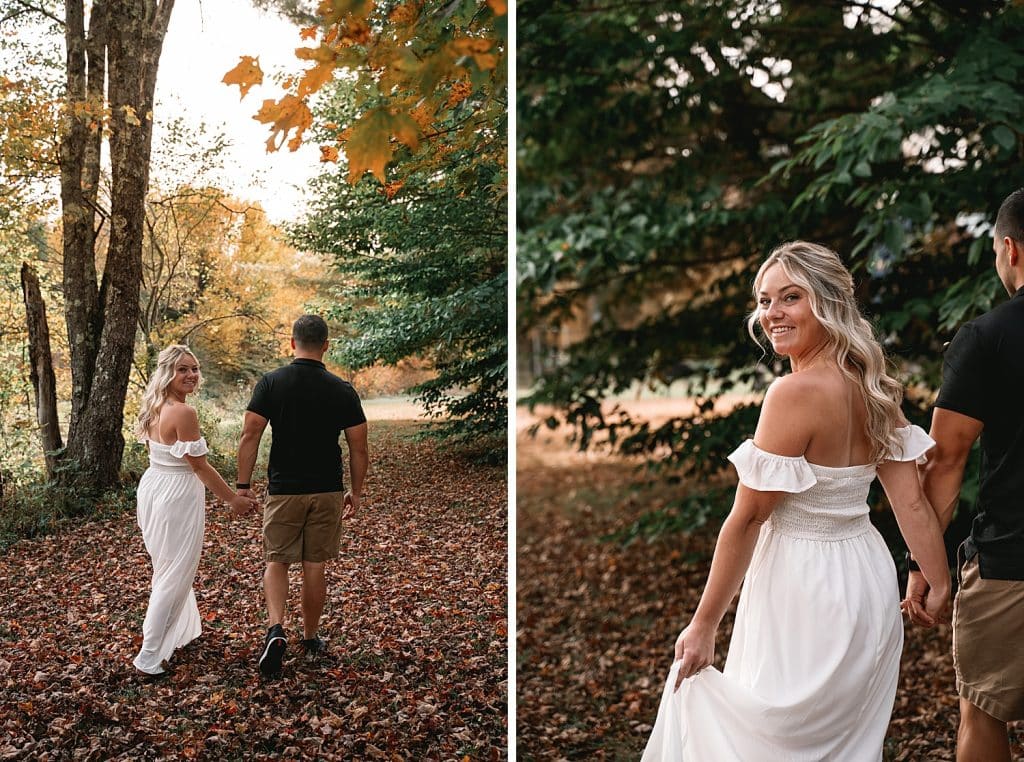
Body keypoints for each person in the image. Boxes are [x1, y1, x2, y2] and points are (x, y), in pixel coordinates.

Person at [641, 241, 950, 760]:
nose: (771, 314)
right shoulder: (875, 387)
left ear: (827, 301)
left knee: (775, 740)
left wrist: (703, 624)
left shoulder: (791, 395)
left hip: (802, 586)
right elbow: (912, 504)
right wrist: (938, 583)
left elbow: (748, 518)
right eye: (764, 300)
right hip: (867, 583)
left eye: (790, 298)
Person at [908, 189, 1024, 762]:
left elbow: (945, 459)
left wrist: (923, 566)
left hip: (1012, 564)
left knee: (983, 715)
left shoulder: (986, 338)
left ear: (1011, 249)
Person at [236, 315, 369, 677]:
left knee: (276, 560)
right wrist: (355, 491)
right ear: (326, 345)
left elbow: (250, 436)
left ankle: (276, 628)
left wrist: (243, 485)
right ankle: (310, 636)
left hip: (284, 490)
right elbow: (359, 447)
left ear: (292, 344)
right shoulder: (342, 389)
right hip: (327, 489)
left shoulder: (271, 383)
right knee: (315, 566)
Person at [132, 345, 256, 676]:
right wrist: (232, 499)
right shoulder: (184, 414)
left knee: (166, 569)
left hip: (152, 488)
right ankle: (148, 655)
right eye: (182, 369)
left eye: (195, 369)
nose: (191, 375)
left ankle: (177, 633)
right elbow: (199, 467)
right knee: (173, 574)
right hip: (176, 494)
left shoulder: (155, 404)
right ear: (168, 373)